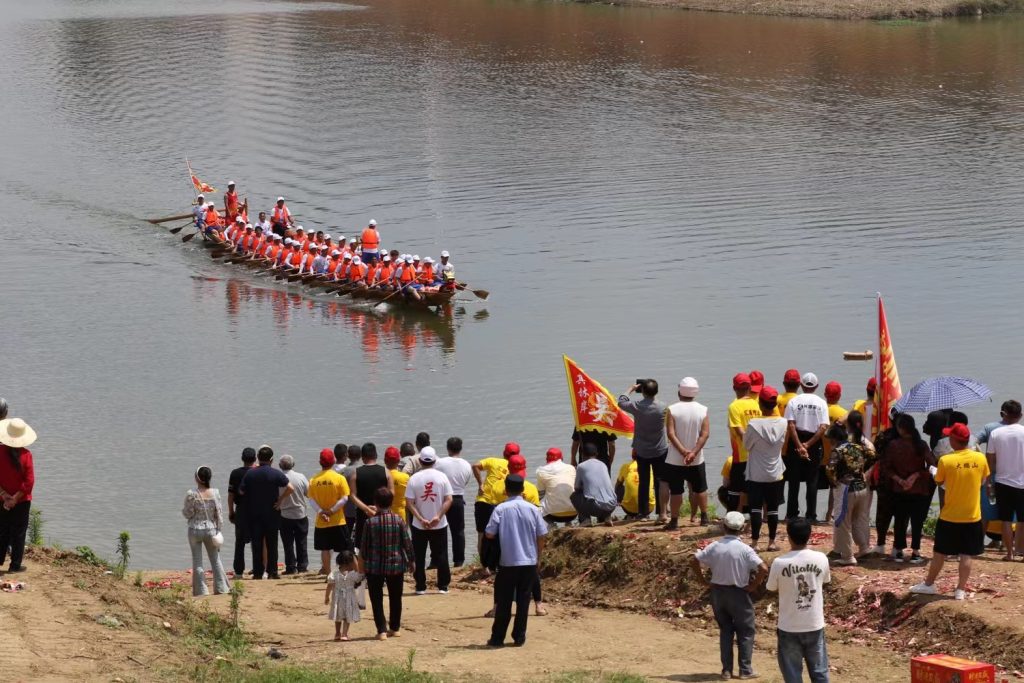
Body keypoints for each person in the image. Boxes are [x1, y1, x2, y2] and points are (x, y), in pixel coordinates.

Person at [911, 423, 990, 600]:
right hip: (972, 516)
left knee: (939, 552)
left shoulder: (946, 461)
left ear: (954, 440)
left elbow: (939, 481)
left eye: (950, 437)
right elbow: (983, 480)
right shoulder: (980, 458)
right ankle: (960, 590)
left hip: (950, 516)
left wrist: (933, 471)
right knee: (966, 554)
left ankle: (929, 584)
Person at [690, 511, 768, 680]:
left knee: (725, 630)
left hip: (718, 592)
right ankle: (745, 669)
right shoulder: (745, 549)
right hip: (738, 592)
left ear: (724, 526)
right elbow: (763, 568)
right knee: (746, 631)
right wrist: (753, 586)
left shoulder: (714, 546)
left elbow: (694, 560)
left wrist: (703, 581)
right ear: (742, 528)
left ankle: (726, 670)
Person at [485, 474, 548, 648]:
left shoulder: (500, 509)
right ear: (523, 491)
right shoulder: (533, 509)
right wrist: (538, 556)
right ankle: (519, 637)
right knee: (523, 601)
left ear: (505, 490)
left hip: (508, 561)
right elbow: (542, 534)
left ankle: (497, 638)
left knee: (504, 601)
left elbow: (490, 533)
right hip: (528, 560)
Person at [767, 518, 831, 683]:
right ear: (809, 536)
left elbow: (771, 588)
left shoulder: (779, 563)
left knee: (792, 675)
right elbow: (825, 580)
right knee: (820, 673)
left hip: (789, 626)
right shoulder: (821, 558)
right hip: (814, 624)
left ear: (789, 537)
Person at [361, 487, 415, 640]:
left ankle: (381, 630)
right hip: (396, 564)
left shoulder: (370, 522)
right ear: (391, 502)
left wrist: (362, 564)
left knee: (376, 598)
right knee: (396, 596)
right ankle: (395, 628)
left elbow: (364, 547)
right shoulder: (399, 520)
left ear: (375, 503)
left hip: (374, 566)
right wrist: (412, 560)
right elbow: (407, 543)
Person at [883, 415, 935, 564]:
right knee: (917, 521)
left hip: (899, 488)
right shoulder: (922, 444)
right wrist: (916, 475)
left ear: (900, 428)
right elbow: (932, 466)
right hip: (919, 488)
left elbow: (886, 468)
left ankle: (898, 551)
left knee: (900, 519)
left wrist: (900, 480)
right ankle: (916, 552)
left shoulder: (893, 445)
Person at [825, 411, 876, 566]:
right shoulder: (858, 446)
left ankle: (847, 556)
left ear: (834, 439)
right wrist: (861, 469)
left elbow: (829, 469)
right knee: (859, 519)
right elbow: (873, 456)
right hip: (862, 487)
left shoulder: (839, 450)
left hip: (847, 488)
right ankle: (864, 547)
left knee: (843, 522)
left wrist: (834, 481)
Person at [239, 446, 294, 580]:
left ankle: (258, 572)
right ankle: (272, 572)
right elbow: (291, 488)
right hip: (272, 513)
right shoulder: (275, 473)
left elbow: (241, 491)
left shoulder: (250, 473)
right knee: (272, 543)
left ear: (258, 458)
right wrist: (280, 500)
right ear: (271, 460)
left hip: (255, 514)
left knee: (257, 544)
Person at [744, 386, 788, 550]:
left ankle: (755, 543)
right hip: (775, 472)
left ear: (760, 404)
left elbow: (747, 446)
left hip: (756, 472)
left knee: (755, 508)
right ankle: (772, 542)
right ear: (775, 404)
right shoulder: (783, 423)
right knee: (773, 509)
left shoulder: (753, 424)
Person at [618, 379, 668, 521]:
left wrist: (631, 389)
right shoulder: (664, 407)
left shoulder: (637, 406)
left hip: (642, 451)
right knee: (660, 481)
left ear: (643, 391)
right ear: (656, 391)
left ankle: (643, 514)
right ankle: (662, 512)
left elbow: (621, 402)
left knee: (644, 481)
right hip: (660, 450)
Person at [664, 377, 711, 529]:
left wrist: (684, 452)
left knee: (676, 491)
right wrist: (693, 453)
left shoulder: (672, 409)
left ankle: (674, 521)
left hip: (675, 459)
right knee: (700, 489)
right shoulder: (702, 409)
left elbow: (671, 434)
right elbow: (705, 434)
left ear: (680, 392)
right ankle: (704, 517)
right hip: (697, 459)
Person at [783, 373, 830, 522]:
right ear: (816, 386)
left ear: (802, 386)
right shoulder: (822, 403)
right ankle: (811, 515)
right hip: (814, 442)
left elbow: (791, 425)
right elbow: (823, 427)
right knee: (812, 481)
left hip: (795, 441)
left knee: (793, 480)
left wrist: (799, 446)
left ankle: (791, 514)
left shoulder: (793, 401)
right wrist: (808, 445)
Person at [406, 448, 453, 594]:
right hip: (439, 523)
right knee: (441, 554)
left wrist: (420, 518)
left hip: (419, 525)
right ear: (434, 461)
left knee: (419, 555)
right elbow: (449, 499)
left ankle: (420, 586)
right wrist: (437, 516)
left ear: (420, 461)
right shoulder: (442, 477)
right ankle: (443, 586)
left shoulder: (414, 478)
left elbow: (409, 502)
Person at [181, 466, 230, 596]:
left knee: (197, 561)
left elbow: (187, 513)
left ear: (197, 478)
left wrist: (189, 512)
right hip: (210, 529)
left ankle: (201, 591)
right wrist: (219, 530)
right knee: (215, 559)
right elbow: (218, 514)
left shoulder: (192, 494)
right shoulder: (215, 493)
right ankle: (221, 588)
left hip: (195, 530)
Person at [985, 400, 1024, 560]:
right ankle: (1021, 551)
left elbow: (990, 461)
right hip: (1023, 482)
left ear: (1004, 414)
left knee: (1006, 519)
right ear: (1020, 415)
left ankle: (1009, 554)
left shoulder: (996, 434)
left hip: (1003, 481)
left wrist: (989, 481)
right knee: (1023, 520)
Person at [0, 418, 36, 572]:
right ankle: (15, 566)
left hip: (1, 500)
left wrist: (4, 495)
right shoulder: (26, 455)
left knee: (2, 531)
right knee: (19, 533)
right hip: (22, 502)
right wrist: (15, 498)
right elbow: (29, 482)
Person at [309, 449, 351, 575]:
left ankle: (328, 574)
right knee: (343, 548)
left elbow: (311, 500)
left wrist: (321, 511)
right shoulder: (339, 478)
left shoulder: (313, 480)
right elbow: (345, 498)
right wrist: (331, 511)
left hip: (321, 521)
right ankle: (344, 572)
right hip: (338, 520)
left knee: (325, 549)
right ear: (333, 461)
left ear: (319, 462)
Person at [435, 436, 474, 567]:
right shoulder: (466, 465)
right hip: (458, 498)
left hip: (442, 499)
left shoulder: (440, 462)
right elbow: (466, 481)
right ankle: (459, 560)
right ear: (461, 448)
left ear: (447, 448)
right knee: (458, 531)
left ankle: (441, 559)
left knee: (440, 530)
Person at [473, 443, 517, 551]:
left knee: (482, 534)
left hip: (484, 501)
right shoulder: (516, 467)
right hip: (503, 505)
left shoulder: (493, 461)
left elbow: (475, 466)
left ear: (503, 453)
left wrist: (480, 484)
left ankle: (484, 566)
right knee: (501, 535)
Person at [727, 373, 761, 514]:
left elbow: (739, 431)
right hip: (757, 454)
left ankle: (732, 519)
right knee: (751, 489)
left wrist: (748, 445)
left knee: (735, 489)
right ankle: (752, 521)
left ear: (734, 387)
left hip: (741, 454)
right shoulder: (757, 404)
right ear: (749, 387)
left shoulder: (734, 406)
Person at [350, 443, 393, 550]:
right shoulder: (386, 472)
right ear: (376, 455)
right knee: (383, 544)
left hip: (362, 514)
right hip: (382, 513)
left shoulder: (355, 473)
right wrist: (378, 508)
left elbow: (352, 495)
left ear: (362, 457)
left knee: (361, 547)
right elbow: (392, 493)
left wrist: (367, 509)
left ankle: (363, 567)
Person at [277, 454, 310, 575]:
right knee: (301, 541)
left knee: (288, 543)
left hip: (285, 514)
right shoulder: (300, 477)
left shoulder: (278, 478)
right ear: (293, 465)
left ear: (280, 465)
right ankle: (302, 566)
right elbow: (309, 493)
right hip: (300, 513)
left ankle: (291, 567)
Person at [227, 448, 257, 577]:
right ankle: (258, 569)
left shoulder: (235, 473)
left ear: (242, 458)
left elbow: (230, 495)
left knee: (239, 543)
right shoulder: (257, 472)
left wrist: (231, 511)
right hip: (256, 510)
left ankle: (238, 572)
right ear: (255, 458)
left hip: (241, 510)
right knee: (257, 541)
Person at [571, 444, 618, 526]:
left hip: (596, 508)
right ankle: (607, 517)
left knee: (574, 496)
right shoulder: (603, 465)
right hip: (612, 505)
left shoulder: (581, 466)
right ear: (596, 454)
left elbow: (576, 487)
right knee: (600, 494)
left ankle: (585, 520)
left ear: (582, 454)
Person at [822, 382, 848, 524]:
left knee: (811, 486)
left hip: (821, 456)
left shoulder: (821, 409)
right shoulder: (843, 414)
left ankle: (811, 513)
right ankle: (829, 514)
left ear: (825, 394)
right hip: (834, 457)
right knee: (835, 488)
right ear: (839, 395)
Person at [325, 550, 363, 642]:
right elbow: (360, 578)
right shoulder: (353, 574)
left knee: (338, 616)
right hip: (349, 598)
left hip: (337, 598)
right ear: (350, 563)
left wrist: (326, 597)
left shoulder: (334, 573)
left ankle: (337, 633)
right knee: (347, 616)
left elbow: (329, 585)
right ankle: (344, 634)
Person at [536, 447, 577, 528]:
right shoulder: (571, 468)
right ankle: (569, 524)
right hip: (574, 513)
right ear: (561, 458)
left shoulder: (541, 471)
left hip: (553, 515)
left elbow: (540, 494)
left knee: (536, 502)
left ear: (546, 459)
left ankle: (551, 525)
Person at [615, 452, 655, 520]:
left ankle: (622, 505)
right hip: (649, 508)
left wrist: (618, 498)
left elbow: (618, 484)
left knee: (619, 485)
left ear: (632, 456)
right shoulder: (651, 467)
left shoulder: (626, 466)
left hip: (629, 509)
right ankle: (646, 514)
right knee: (651, 486)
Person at [384, 447, 410, 521]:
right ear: (398, 461)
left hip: (384, 516)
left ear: (385, 460)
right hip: (400, 516)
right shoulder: (405, 477)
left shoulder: (381, 475)